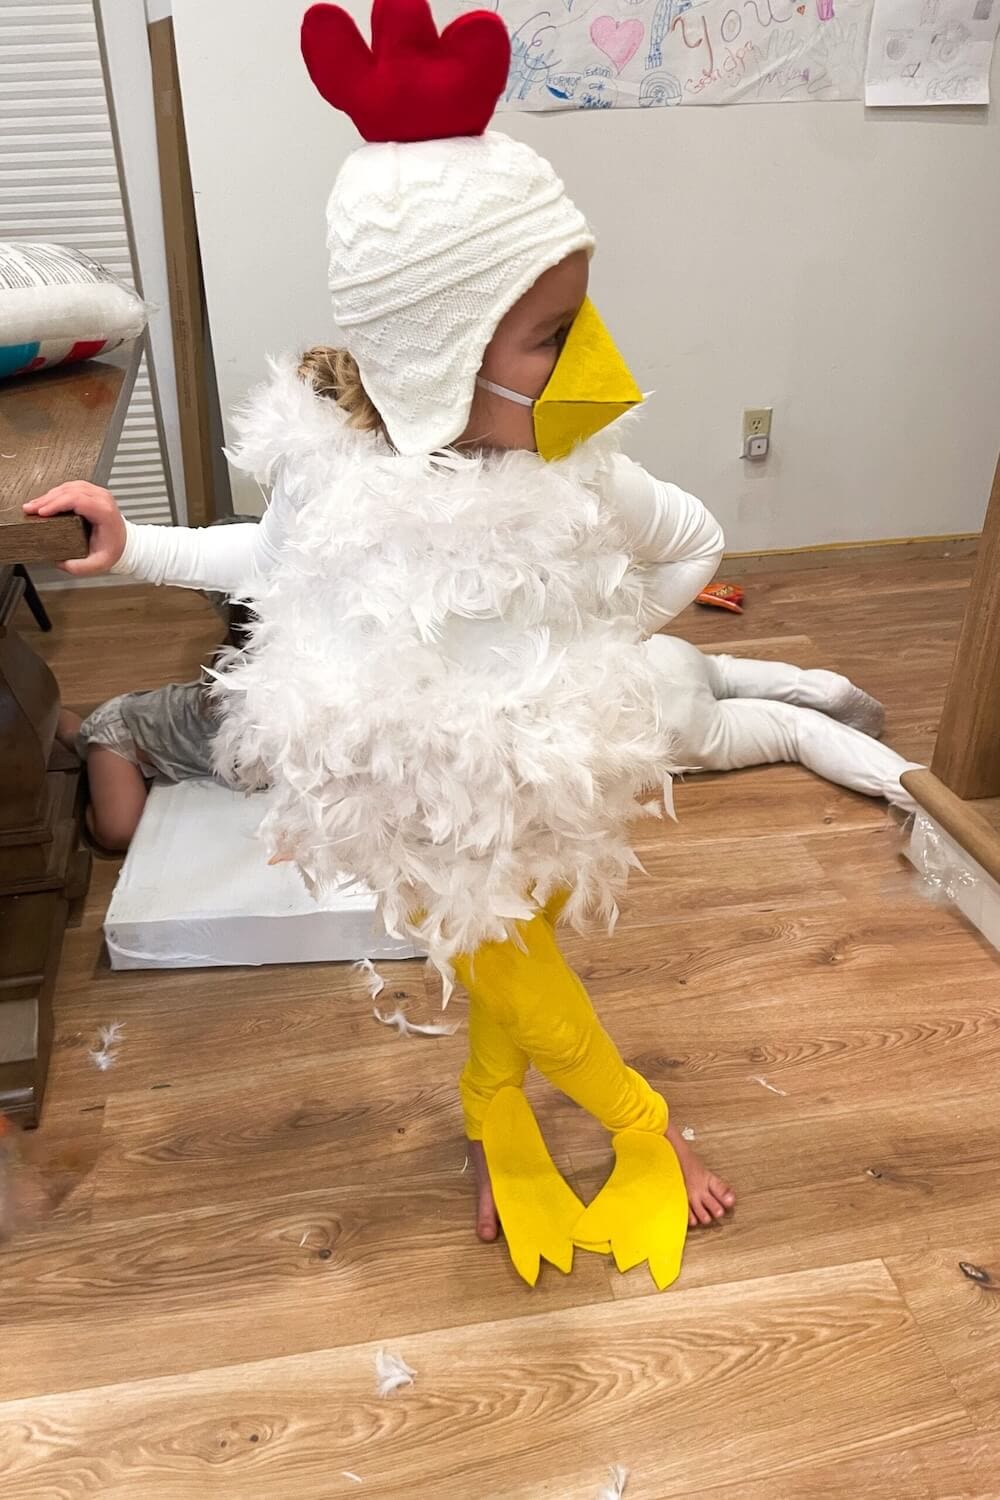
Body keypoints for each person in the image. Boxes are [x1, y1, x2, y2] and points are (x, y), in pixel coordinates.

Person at [24, 0, 817, 1286]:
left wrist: (590, 647)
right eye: (554, 335)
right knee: (514, 963)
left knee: (525, 960)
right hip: (418, 802)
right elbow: (268, 565)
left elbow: (693, 543)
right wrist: (144, 547)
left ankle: (486, 1114)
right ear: (438, 354)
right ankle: (637, 1119)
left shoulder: (581, 480)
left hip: (550, 786)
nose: (591, 358)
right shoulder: (338, 479)